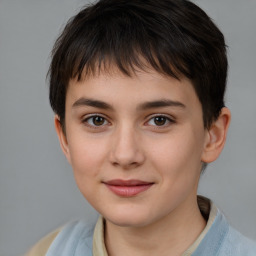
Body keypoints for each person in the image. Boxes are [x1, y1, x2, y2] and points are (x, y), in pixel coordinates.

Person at [26, 0, 256, 255]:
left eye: (159, 120)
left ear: (212, 136)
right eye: (97, 120)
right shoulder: (49, 251)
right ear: (65, 138)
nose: (125, 155)